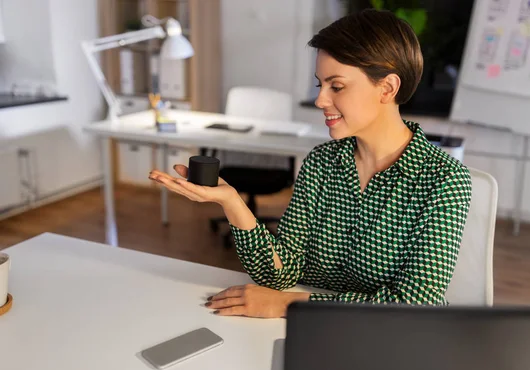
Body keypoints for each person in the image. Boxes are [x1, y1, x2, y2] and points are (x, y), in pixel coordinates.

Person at [149, 9, 472, 318]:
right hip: (308, 333)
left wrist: (288, 305)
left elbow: (414, 305)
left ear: (387, 88)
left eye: (337, 86)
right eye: (321, 84)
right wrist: (232, 202)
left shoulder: (444, 180)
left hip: (389, 345)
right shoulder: (321, 163)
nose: (320, 100)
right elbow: (280, 273)